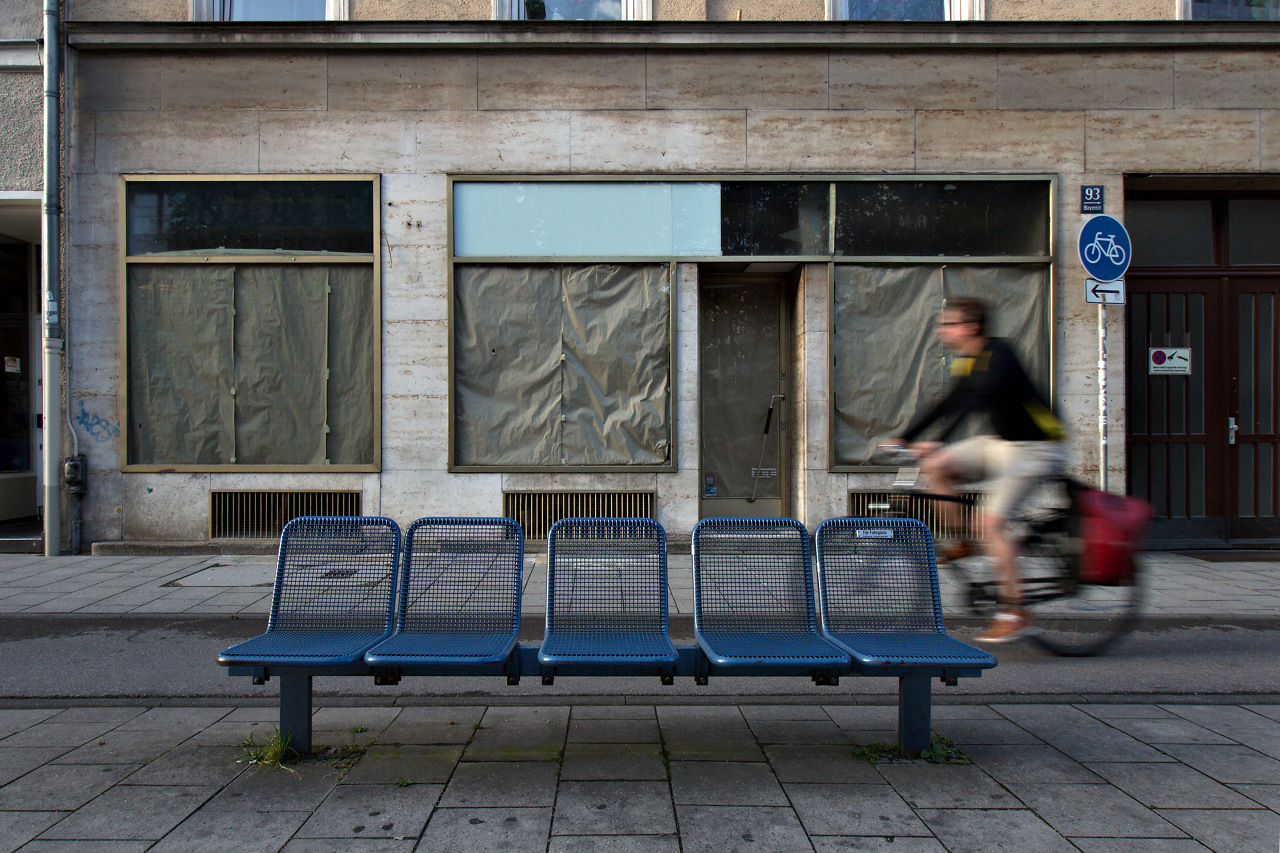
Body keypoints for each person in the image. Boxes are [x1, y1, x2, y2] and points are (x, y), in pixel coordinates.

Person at [884, 296, 1067, 644]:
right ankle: (963, 540)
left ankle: (1015, 612)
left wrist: (939, 439)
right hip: (1003, 444)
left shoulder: (1000, 356)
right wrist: (906, 438)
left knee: (990, 523)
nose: (941, 330)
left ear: (970, 327)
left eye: (947, 324)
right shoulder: (968, 361)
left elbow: (975, 401)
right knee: (935, 465)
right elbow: (950, 402)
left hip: (1040, 447)